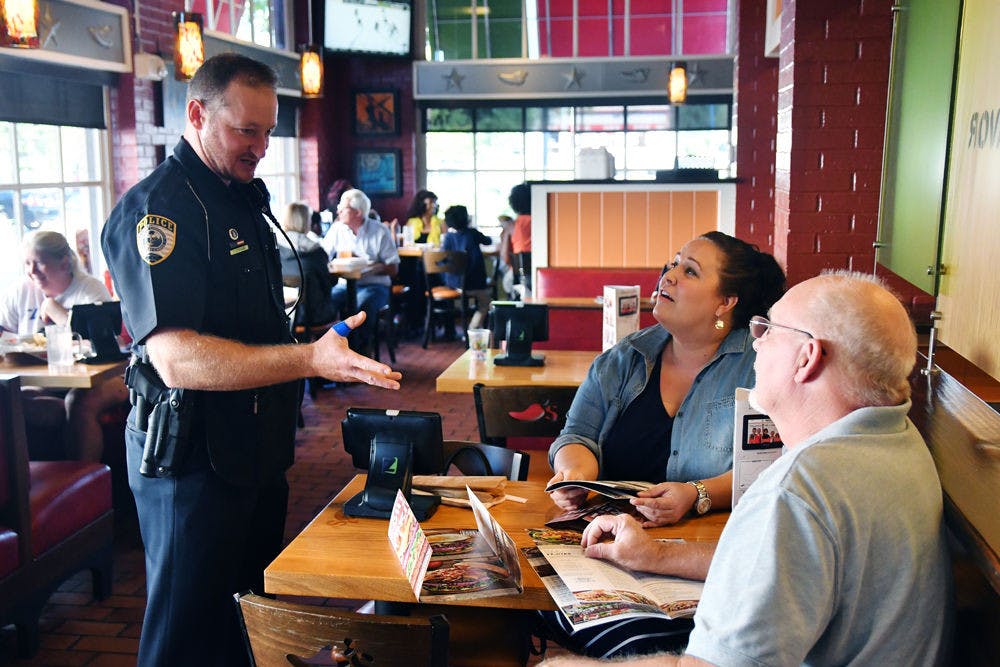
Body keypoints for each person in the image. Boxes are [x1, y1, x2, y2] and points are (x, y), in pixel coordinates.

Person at [100, 53, 402, 667]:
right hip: (192, 457)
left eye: (269, 131)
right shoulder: (160, 211)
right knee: (184, 632)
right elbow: (177, 359)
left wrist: (312, 347)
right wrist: (308, 360)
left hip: (255, 450)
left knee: (246, 620)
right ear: (197, 114)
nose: (262, 146)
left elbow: (250, 327)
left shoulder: (239, 197)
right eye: (246, 130)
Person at [540, 272, 952, 667]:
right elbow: (781, 562)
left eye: (768, 329)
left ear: (807, 358)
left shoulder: (797, 490)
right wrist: (654, 554)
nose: (756, 344)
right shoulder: (898, 438)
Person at [548, 232, 786, 526]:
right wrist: (575, 475)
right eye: (673, 264)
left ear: (725, 302)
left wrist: (696, 494)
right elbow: (578, 435)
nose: (668, 275)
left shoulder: (760, 366)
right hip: (611, 536)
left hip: (712, 547)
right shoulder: (624, 357)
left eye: (689, 271)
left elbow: (772, 467)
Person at [0, 231, 128, 462]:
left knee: (78, 401)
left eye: (39, 263)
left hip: (106, 378)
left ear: (64, 262)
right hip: (47, 379)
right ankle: (25, 486)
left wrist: (55, 311)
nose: (32, 271)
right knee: (10, 400)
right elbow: (4, 335)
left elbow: (107, 345)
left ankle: (87, 487)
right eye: (27, 264)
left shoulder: (89, 289)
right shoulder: (21, 291)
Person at [321, 188, 400, 357]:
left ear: (357, 212)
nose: (338, 210)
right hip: (344, 285)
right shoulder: (337, 229)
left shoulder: (380, 230)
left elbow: (393, 268)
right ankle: (330, 353)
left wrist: (371, 267)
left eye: (343, 208)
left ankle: (361, 352)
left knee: (361, 307)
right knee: (326, 302)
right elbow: (322, 257)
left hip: (375, 286)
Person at [278, 202, 338, 328]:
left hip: (285, 315)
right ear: (306, 221)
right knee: (342, 301)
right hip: (316, 315)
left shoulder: (274, 247)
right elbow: (328, 284)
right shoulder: (316, 251)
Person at [441, 204, 493, 329]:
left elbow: (442, 259)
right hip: (475, 283)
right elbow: (488, 241)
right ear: (466, 219)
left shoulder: (448, 237)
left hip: (453, 284)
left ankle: (456, 330)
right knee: (486, 302)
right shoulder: (473, 234)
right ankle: (473, 328)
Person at [508, 182, 532, 291]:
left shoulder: (512, 225)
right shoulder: (543, 221)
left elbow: (505, 257)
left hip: (519, 277)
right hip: (539, 274)